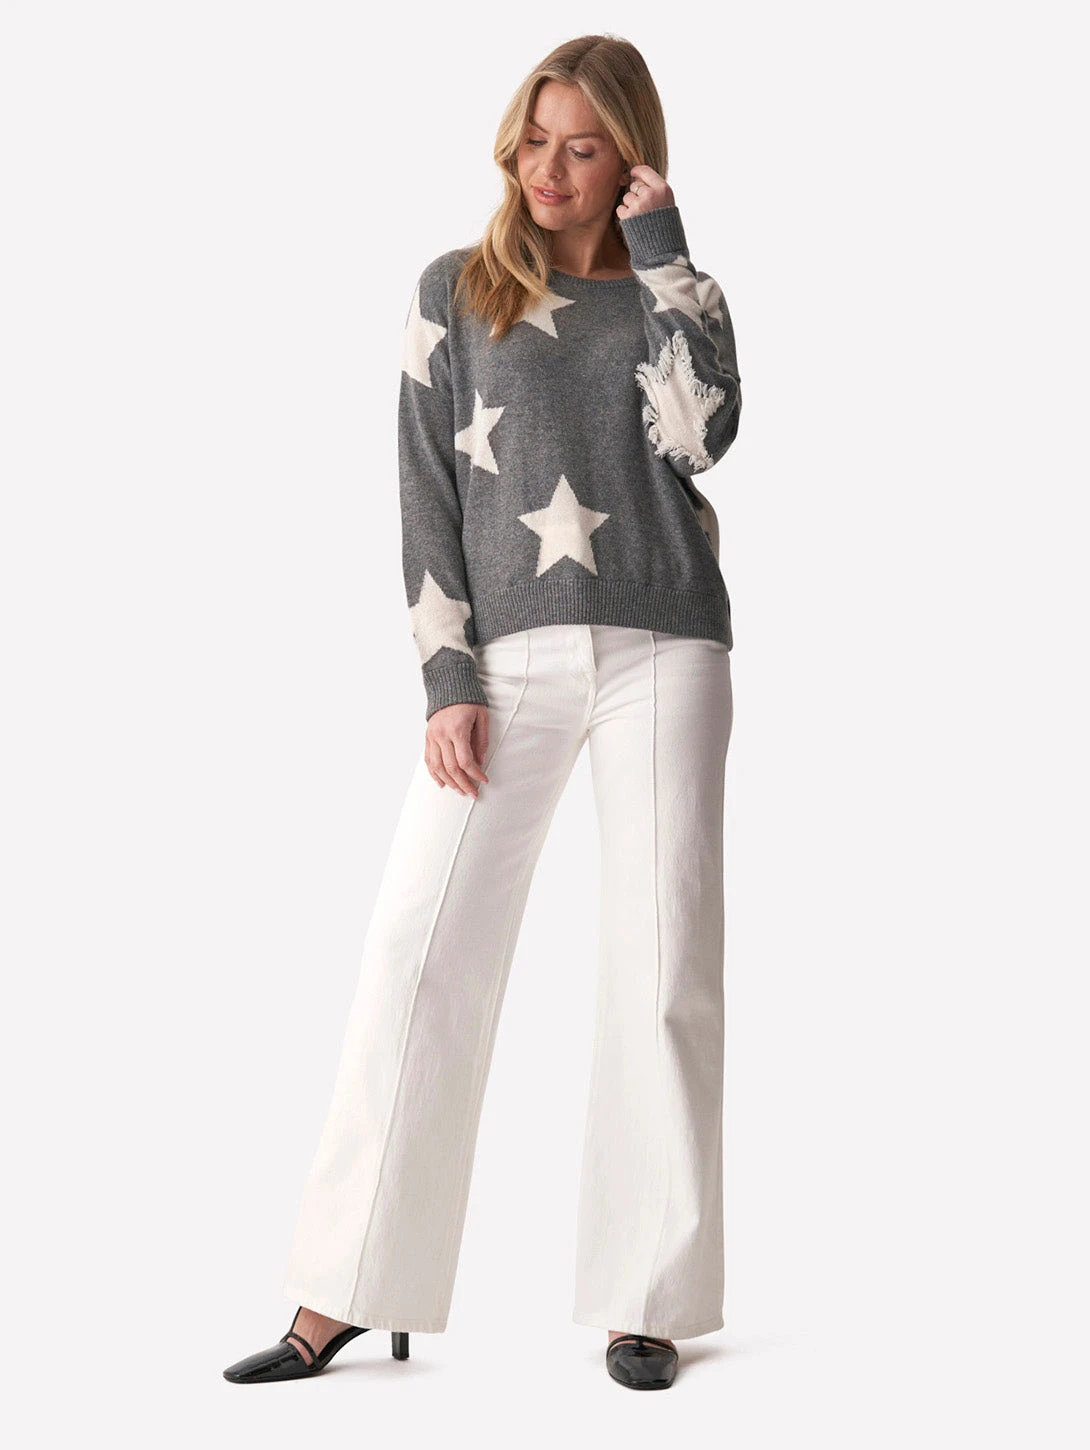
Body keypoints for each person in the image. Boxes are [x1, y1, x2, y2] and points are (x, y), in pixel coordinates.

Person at [223, 32, 742, 1393]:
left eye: (584, 146)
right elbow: (425, 497)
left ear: (631, 159)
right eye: (534, 140)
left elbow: (699, 436)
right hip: (507, 661)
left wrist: (666, 247)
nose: (549, 169)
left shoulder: (675, 293)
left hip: (664, 645)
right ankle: (345, 1286)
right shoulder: (453, 291)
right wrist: (447, 682)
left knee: (662, 963)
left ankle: (647, 1295)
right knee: (420, 946)